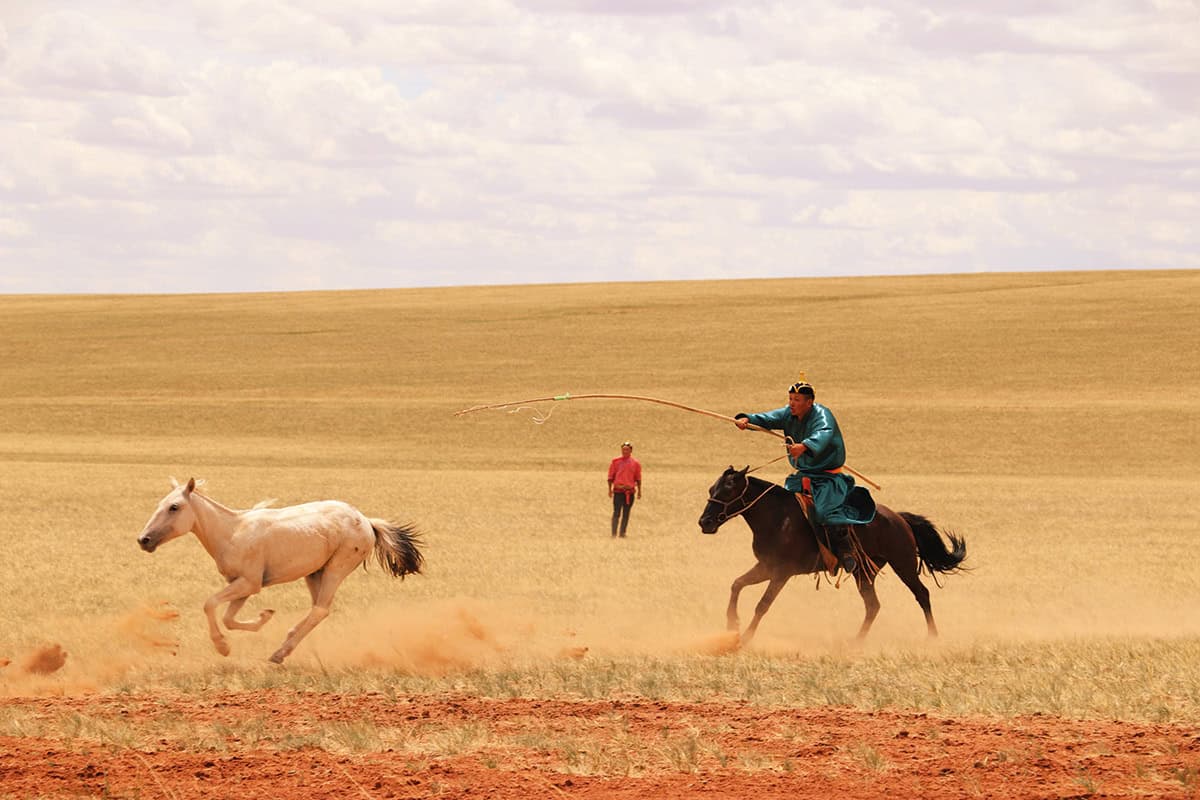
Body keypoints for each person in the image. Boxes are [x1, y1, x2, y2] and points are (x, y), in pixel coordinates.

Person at [734, 377, 875, 573]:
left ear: (809, 402)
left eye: (797, 399)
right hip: (802, 476)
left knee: (825, 512)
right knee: (787, 506)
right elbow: (768, 418)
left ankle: (846, 550)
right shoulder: (788, 413)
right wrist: (747, 420)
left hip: (828, 479)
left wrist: (805, 446)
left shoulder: (823, 415)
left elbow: (824, 433)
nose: (792, 403)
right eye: (790, 398)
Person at [607, 440, 642, 538]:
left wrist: (639, 491)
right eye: (623, 450)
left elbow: (638, 478)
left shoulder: (636, 463)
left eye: (627, 450)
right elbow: (610, 477)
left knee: (626, 513)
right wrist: (610, 490)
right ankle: (613, 533)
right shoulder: (615, 462)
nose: (625, 452)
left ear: (631, 451)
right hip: (618, 491)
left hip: (629, 492)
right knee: (616, 512)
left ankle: (622, 533)